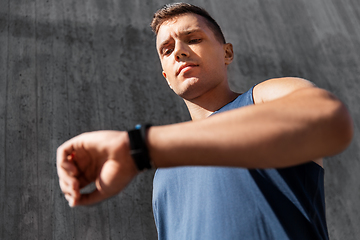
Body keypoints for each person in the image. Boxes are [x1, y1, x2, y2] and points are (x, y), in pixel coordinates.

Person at [57, 3, 353, 240]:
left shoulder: (263, 98)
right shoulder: (163, 171)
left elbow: (328, 119)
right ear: (166, 77)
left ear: (227, 52)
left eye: (193, 39)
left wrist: (137, 147)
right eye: (167, 50)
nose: (179, 52)